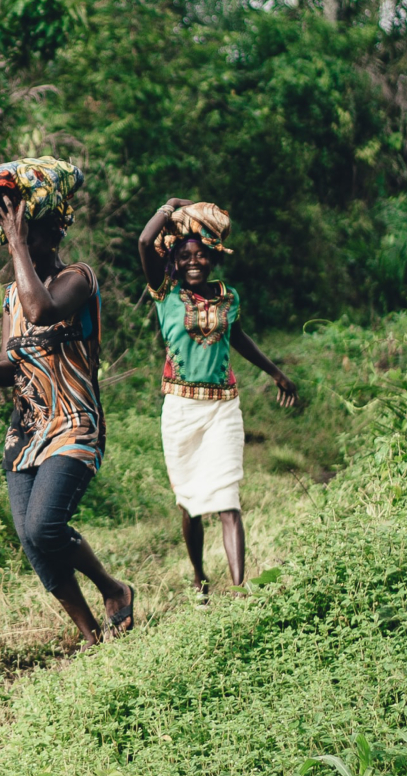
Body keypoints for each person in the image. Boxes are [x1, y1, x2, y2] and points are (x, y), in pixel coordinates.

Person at [0, 158, 134, 645]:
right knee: (31, 540)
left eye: (25, 237)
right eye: (13, 239)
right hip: (26, 429)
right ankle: (89, 633)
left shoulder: (79, 279)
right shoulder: (12, 295)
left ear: (52, 233)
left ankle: (114, 590)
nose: (16, 249)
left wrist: (16, 241)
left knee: (46, 526)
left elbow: (43, 311)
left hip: (75, 423)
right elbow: (15, 362)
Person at [136, 199, 299, 596]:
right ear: (175, 260)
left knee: (228, 499)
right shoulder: (165, 292)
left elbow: (236, 337)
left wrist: (275, 372)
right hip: (180, 410)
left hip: (224, 406)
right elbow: (144, 241)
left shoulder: (230, 298)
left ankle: (241, 588)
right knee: (190, 504)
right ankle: (199, 577)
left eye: (202, 255)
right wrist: (170, 205)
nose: (194, 262)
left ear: (213, 259)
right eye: (186, 256)